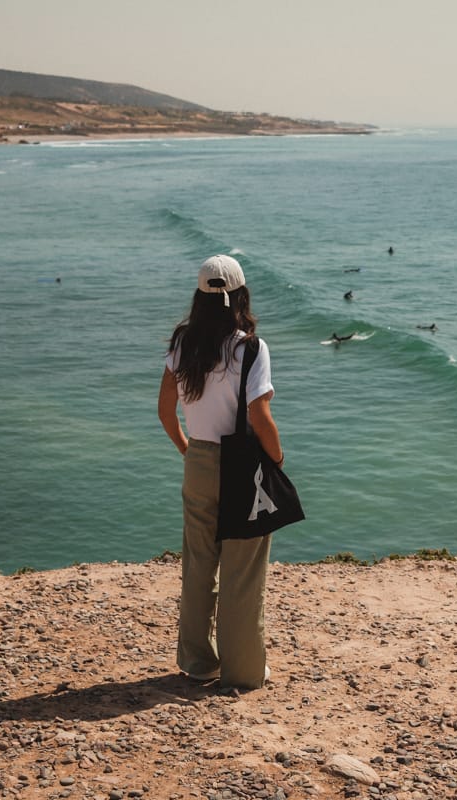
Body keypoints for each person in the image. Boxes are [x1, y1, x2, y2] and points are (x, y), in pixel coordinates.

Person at [157, 254, 283, 690]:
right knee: (243, 572)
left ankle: (197, 662)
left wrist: (187, 449)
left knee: (198, 566)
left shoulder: (182, 343)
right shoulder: (251, 348)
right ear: (241, 295)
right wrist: (278, 460)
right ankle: (244, 669)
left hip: (200, 461)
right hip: (243, 466)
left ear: (199, 297)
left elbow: (164, 410)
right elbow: (260, 416)